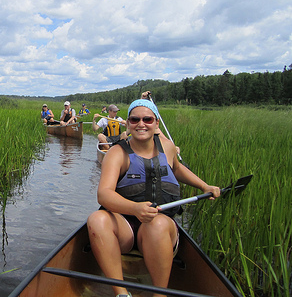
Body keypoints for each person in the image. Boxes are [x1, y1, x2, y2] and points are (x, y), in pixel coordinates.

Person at [86, 99, 220, 297]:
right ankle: (121, 293)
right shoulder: (117, 153)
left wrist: (204, 186)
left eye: (147, 119)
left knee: (155, 225)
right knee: (97, 220)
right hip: (126, 226)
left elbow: (176, 168)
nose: (141, 124)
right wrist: (135, 208)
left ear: (156, 123)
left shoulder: (167, 147)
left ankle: (159, 294)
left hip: (160, 226)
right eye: (135, 119)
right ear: (128, 124)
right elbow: (104, 194)